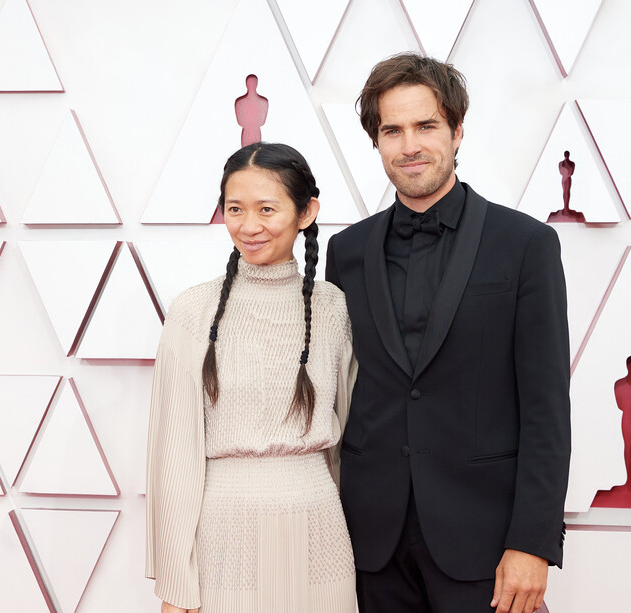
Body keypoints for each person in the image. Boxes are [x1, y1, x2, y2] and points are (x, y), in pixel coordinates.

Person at [324, 53, 570, 613]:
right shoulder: (347, 252)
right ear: (376, 142)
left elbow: (546, 408)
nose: (410, 145)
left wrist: (531, 543)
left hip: (484, 543)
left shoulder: (525, 245)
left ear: (457, 131)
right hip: (371, 544)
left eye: (426, 126)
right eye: (393, 130)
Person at [147, 142, 357, 612]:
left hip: (319, 531)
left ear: (306, 212)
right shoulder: (193, 310)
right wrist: (176, 582)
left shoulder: (333, 308)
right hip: (224, 535)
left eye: (267, 209)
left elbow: (349, 446)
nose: (248, 226)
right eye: (235, 209)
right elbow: (174, 454)